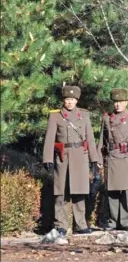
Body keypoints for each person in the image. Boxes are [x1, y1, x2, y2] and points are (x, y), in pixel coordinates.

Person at [42, 85, 99, 236]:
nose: (69, 102)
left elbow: (90, 139)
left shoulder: (84, 115)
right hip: (63, 158)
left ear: (77, 100)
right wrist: (47, 158)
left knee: (80, 192)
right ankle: (61, 224)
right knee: (61, 192)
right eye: (67, 99)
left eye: (72, 99)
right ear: (64, 100)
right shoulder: (56, 116)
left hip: (80, 156)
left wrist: (94, 160)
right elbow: (49, 138)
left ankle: (80, 224)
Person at [98, 88, 128, 232]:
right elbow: (102, 140)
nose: (117, 105)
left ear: (126, 102)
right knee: (111, 192)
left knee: (126, 193)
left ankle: (126, 222)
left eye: (120, 102)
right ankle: (113, 221)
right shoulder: (107, 119)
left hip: (126, 159)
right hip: (111, 159)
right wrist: (99, 158)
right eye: (115, 102)